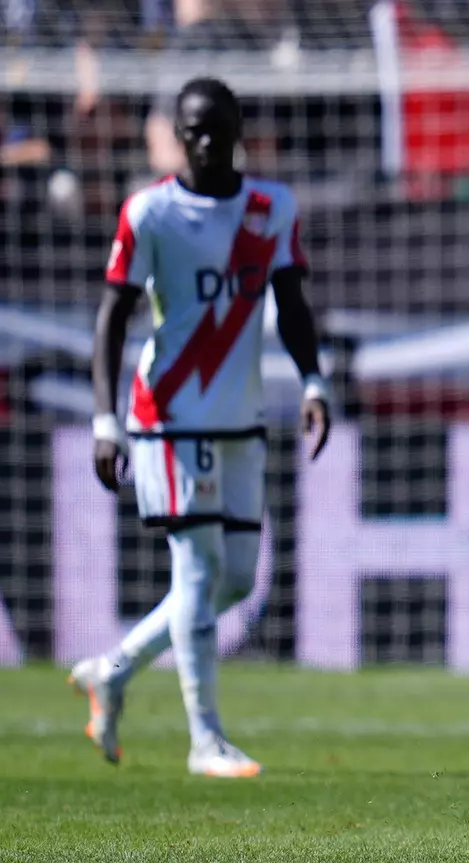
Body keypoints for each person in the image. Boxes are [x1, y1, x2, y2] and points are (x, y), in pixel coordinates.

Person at [70, 76, 330, 778]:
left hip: (240, 416)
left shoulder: (271, 208)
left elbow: (291, 303)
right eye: (195, 131)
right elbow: (113, 317)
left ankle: (113, 670)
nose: (208, 142)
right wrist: (104, 421)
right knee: (197, 569)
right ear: (178, 137)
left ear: (240, 129)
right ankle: (205, 740)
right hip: (169, 415)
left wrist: (314, 380)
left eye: (219, 128)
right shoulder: (150, 212)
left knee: (236, 580)